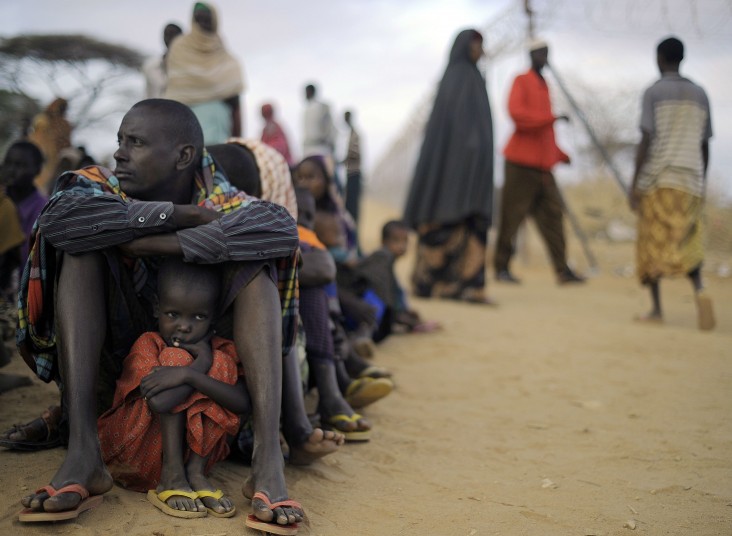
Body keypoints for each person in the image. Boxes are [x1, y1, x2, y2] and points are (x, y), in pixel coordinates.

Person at [16, 99, 304, 530]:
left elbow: (280, 229)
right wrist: (173, 216)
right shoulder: (101, 185)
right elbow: (60, 220)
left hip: (203, 380)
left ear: (184, 156)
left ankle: (266, 462)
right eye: (120, 141)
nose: (119, 153)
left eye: (135, 142)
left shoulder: (222, 196)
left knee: (256, 263)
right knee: (81, 248)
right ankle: (83, 453)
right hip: (117, 371)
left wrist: (157, 242)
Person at [98, 259, 244, 518]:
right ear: (157, 307)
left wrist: (197, 369)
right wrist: (194, 369)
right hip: (133, 452)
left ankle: (195, 474)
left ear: (214, 316)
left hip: (195, 458)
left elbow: (244, 404)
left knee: (221, 361)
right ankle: (172, 476)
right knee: (175, 358)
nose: (184, 326)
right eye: (173, 314)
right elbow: (161, 402)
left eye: (198, 316)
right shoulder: (148, 344)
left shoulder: (218, 352)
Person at [403, 29, 495, 304]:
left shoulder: (475, 78)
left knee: (470, 221)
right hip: (451, 167)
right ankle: (434, 282)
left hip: (472, 167)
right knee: (444, 218)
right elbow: (449, 133)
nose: (480, 50)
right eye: (476, 44)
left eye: (481, 44)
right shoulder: (456, 79)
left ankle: (466, 284)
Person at [629, 36, 714, 331]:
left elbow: (647, 138)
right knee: (688, 241)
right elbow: (705, 144)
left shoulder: (654, 92)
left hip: (660, 180)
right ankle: (701, 290)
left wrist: (635, 183)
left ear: (659, 58)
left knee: (651, 244)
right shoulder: (701, 94)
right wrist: (701, 181)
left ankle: (655, 309)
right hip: (690, 180)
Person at [493, 39, 585, 285]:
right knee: (512, 217)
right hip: (520, 164)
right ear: (531, 55)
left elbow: (545, 132)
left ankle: (562, 269)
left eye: (547, 53)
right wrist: (551, 118)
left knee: (553, 216)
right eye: (540, 53)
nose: (544, 58)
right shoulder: (521, 80)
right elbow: (519, 117)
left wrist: (559, 154)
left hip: (543, 167)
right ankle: (501, 266)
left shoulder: (545, 85)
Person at [164, 2, 244, 144]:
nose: (203, 23)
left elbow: (235, 99)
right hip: (185, 129)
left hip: (220, 130)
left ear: (215, 20)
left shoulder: (222, 51)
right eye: (198, 19)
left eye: (208, 19)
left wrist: (238, 141)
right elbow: (175, 90)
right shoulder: (180, 47)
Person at [355, 220, 441, 336]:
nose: (402, 246)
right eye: (396, 241)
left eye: (405, 241)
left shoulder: (387, 260)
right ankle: (365, 333)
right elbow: (383, 293)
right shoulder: (381, 258)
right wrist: (401, 316)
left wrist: (404, 311)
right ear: (384, 241)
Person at [2, 141, 49, 262]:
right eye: (8, 163)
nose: (11, 170)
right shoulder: (2, 202)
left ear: (37, 170)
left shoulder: (44, 210)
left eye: (20, 165)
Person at [28, 97, 72, 194]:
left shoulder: (65, 124)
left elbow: (67, 144)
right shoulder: (42, 120)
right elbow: (36, 137)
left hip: (54, 159)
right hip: (38, 155)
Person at [142, 23, 183, 99]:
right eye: (167, 35)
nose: (169, 39)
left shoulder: (190, 66)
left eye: (173, 36)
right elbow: (147, 94)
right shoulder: (151, 67)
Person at [302, 84, 336, 160]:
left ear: (311, 92)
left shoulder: (323, 107)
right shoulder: (306, 110)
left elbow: (330, 128)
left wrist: (331, 144)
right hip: (308, 149)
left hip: (322, 148)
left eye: (307, 92)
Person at [342, 110, 362, 224]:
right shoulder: (351, 133)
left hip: (354, 172)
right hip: (351, 172)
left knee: (352, 206)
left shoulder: (354, 134)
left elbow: (355, 154)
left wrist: (343, 161)